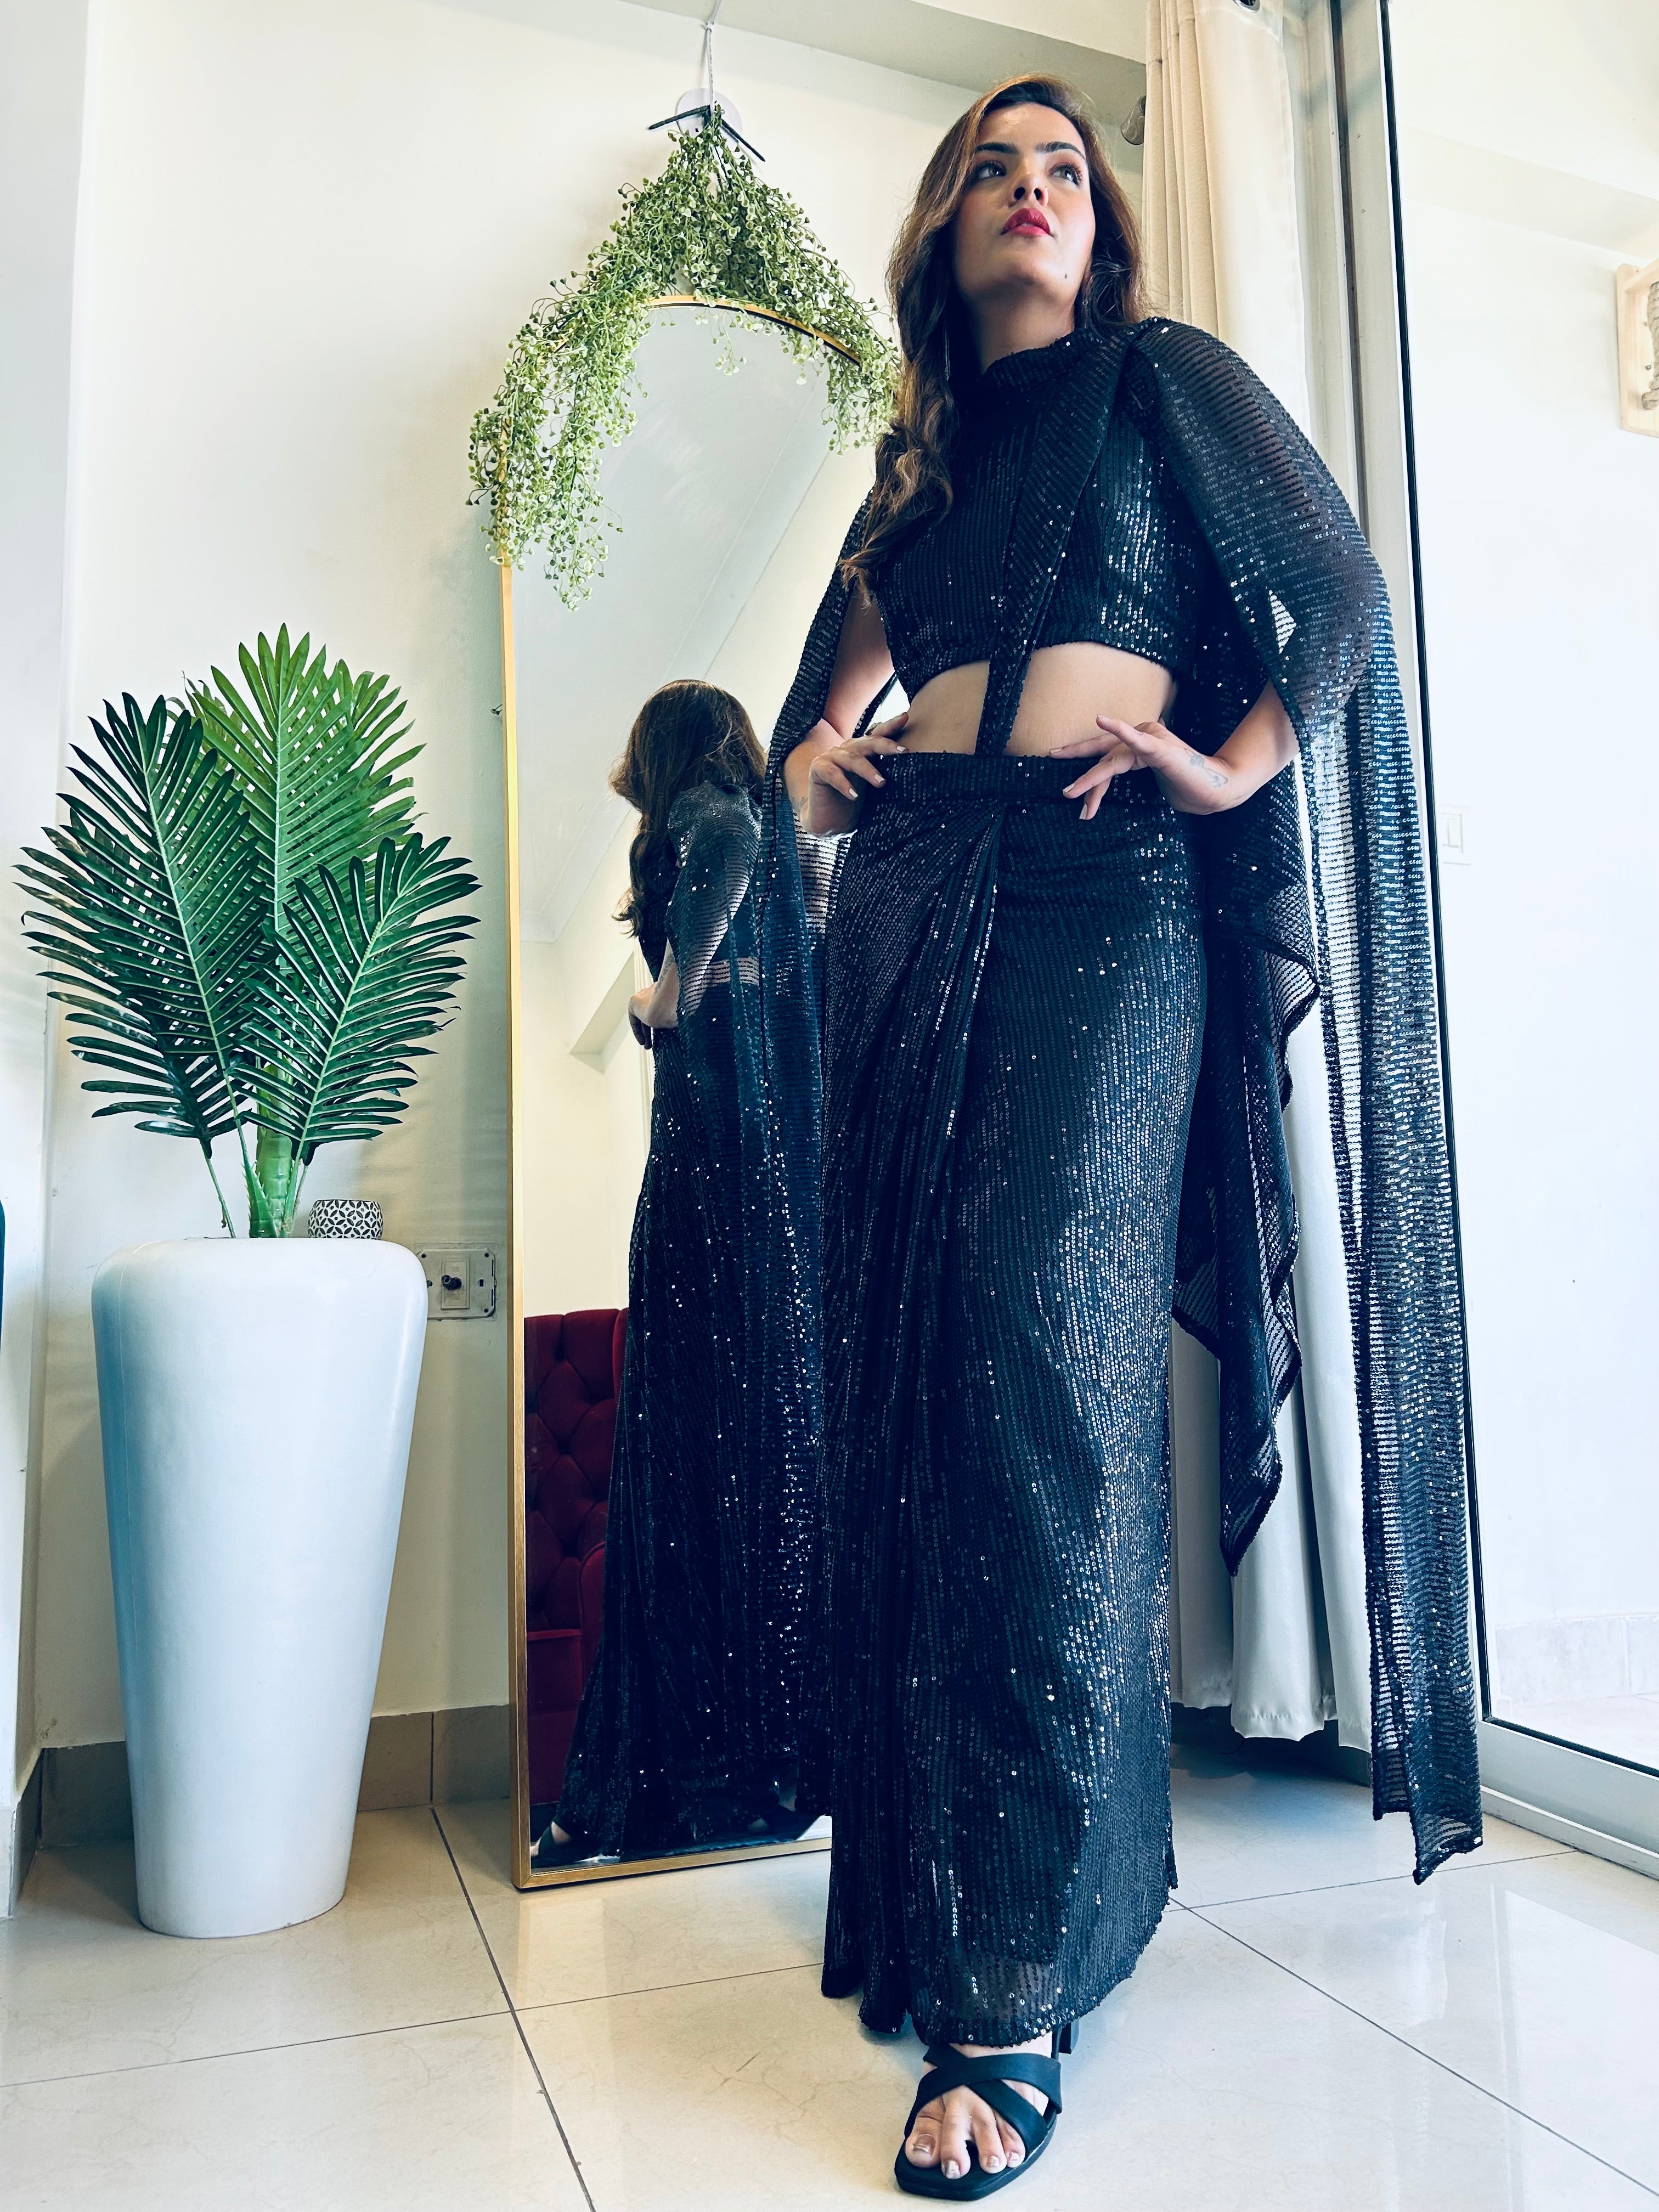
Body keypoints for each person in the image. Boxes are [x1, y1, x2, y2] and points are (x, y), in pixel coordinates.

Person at [757, 76, 1479, 2199]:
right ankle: (989, 1902)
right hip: (916, 897)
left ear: (1102, 223)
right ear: (941, 225)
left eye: (1062, 166)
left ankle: (1010, 1986)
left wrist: (1234, 763)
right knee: (919, 1391)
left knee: (1039, 1378)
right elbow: (814, 720)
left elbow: (1336, 604)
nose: (1029, 188)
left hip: (1103, 895)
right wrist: (808, 770)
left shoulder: (1161, 381)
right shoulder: (917, 465)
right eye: (991, 165)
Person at [540, 680, 817, 1865]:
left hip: (718, 1162)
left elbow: (729, 846)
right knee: (748, 1435)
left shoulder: (713, 810)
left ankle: (689, 1767)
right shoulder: (757, 816)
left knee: (696, 1434)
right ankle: (750, 1753)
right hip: (756, 1168)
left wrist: (670, 990)